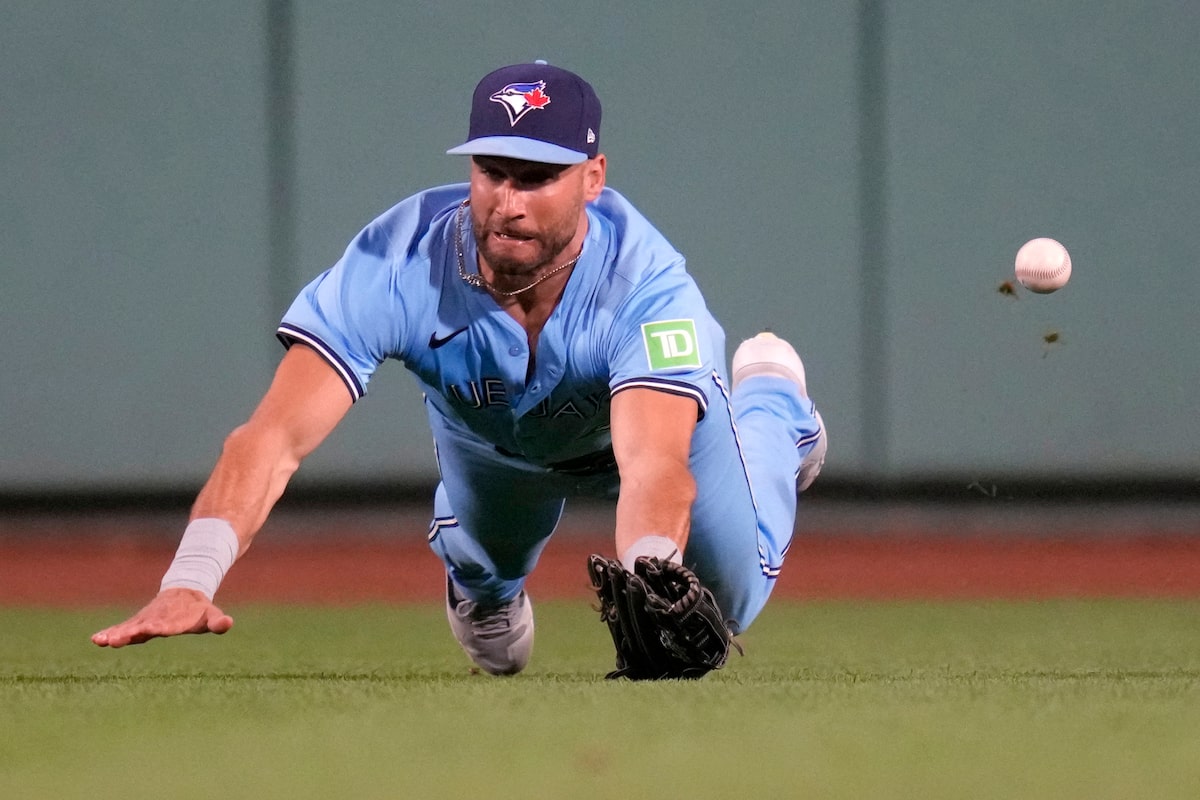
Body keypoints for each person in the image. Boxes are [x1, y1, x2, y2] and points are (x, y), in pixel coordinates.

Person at [91, 61, 826, 677]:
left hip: (633, 441)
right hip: (493, 444)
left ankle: (773, 405)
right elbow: (271, 438)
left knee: (728, 602)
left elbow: (655, 463)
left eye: (536, 176)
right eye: (491, 171)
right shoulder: (398, 262)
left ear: (593, 179)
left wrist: (651, 567)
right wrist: (189, 578)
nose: (506, 202)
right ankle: (479, 579)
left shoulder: (648, 289)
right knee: (488, 596)